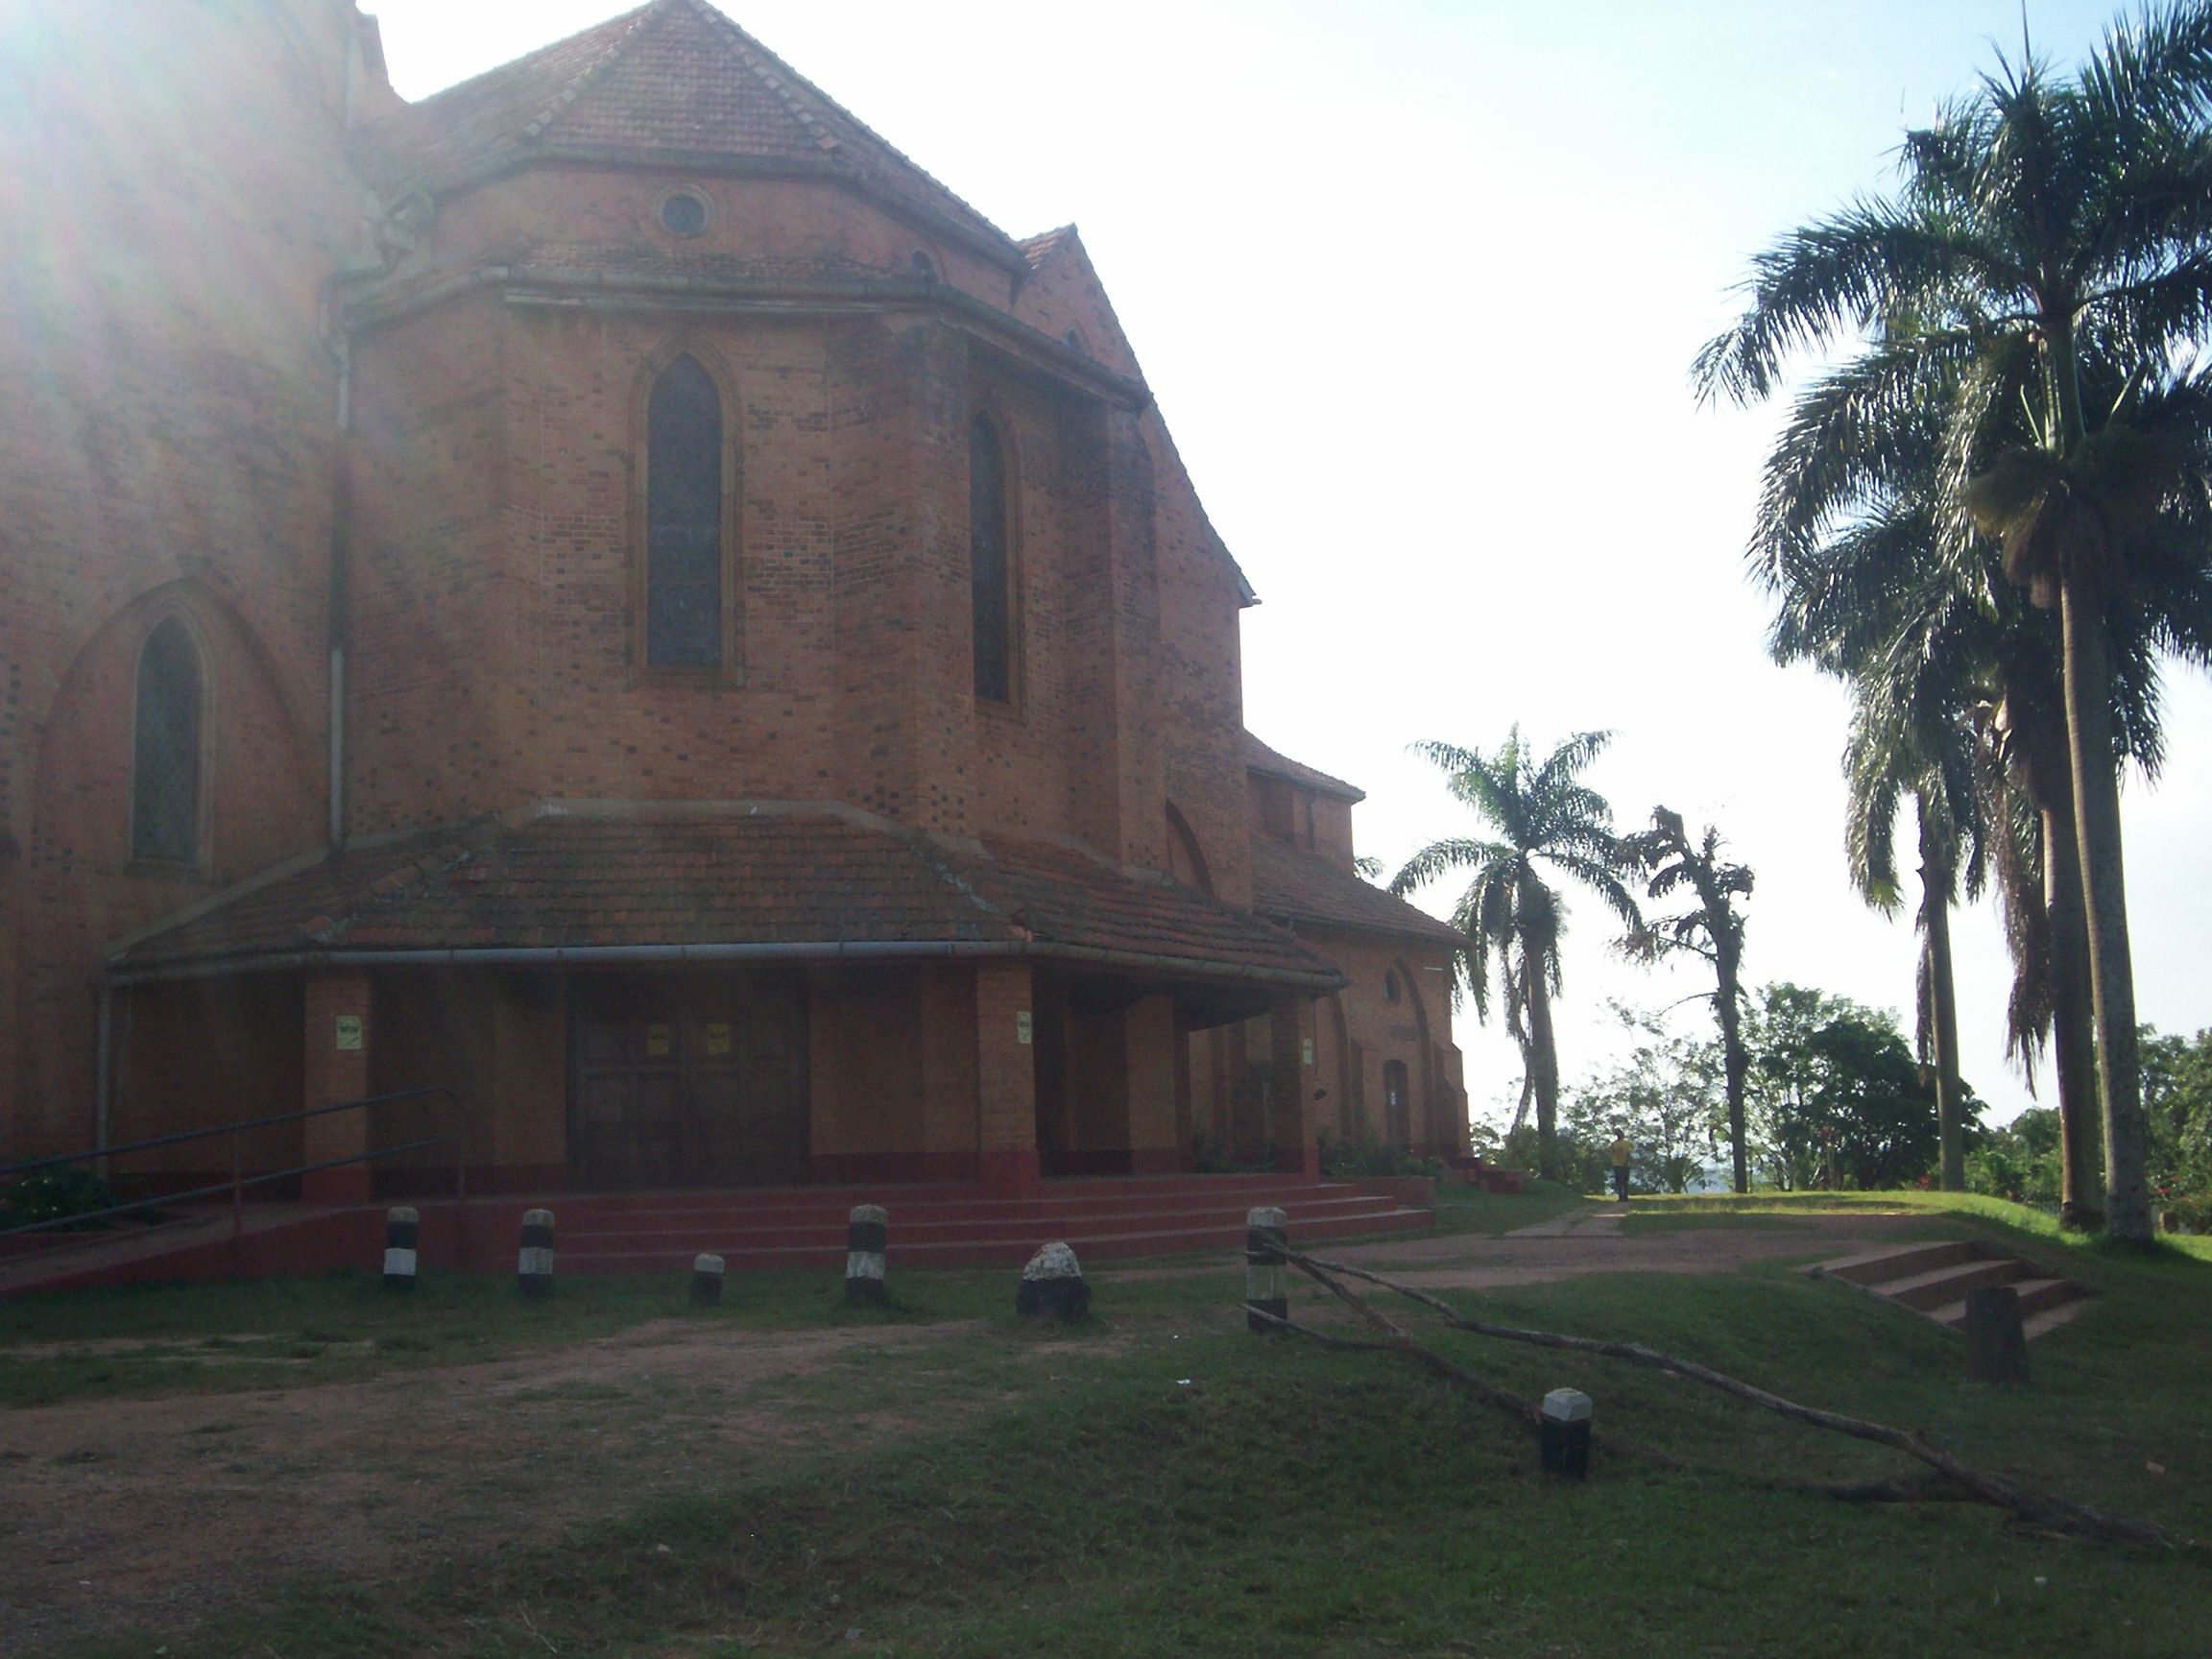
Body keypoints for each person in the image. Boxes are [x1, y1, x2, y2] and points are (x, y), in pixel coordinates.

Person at [1607, 1130, 1631, 1201]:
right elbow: (1611, 1152)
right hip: (1617, 1164)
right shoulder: (1614, 1144)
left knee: (1625, 1181)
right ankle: (1620, 1196)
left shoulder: (1626, 1143)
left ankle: (1625, 1196)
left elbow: (1628, 1153)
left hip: (1625, 1164)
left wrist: (1626, 1162)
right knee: (1619, 1181)